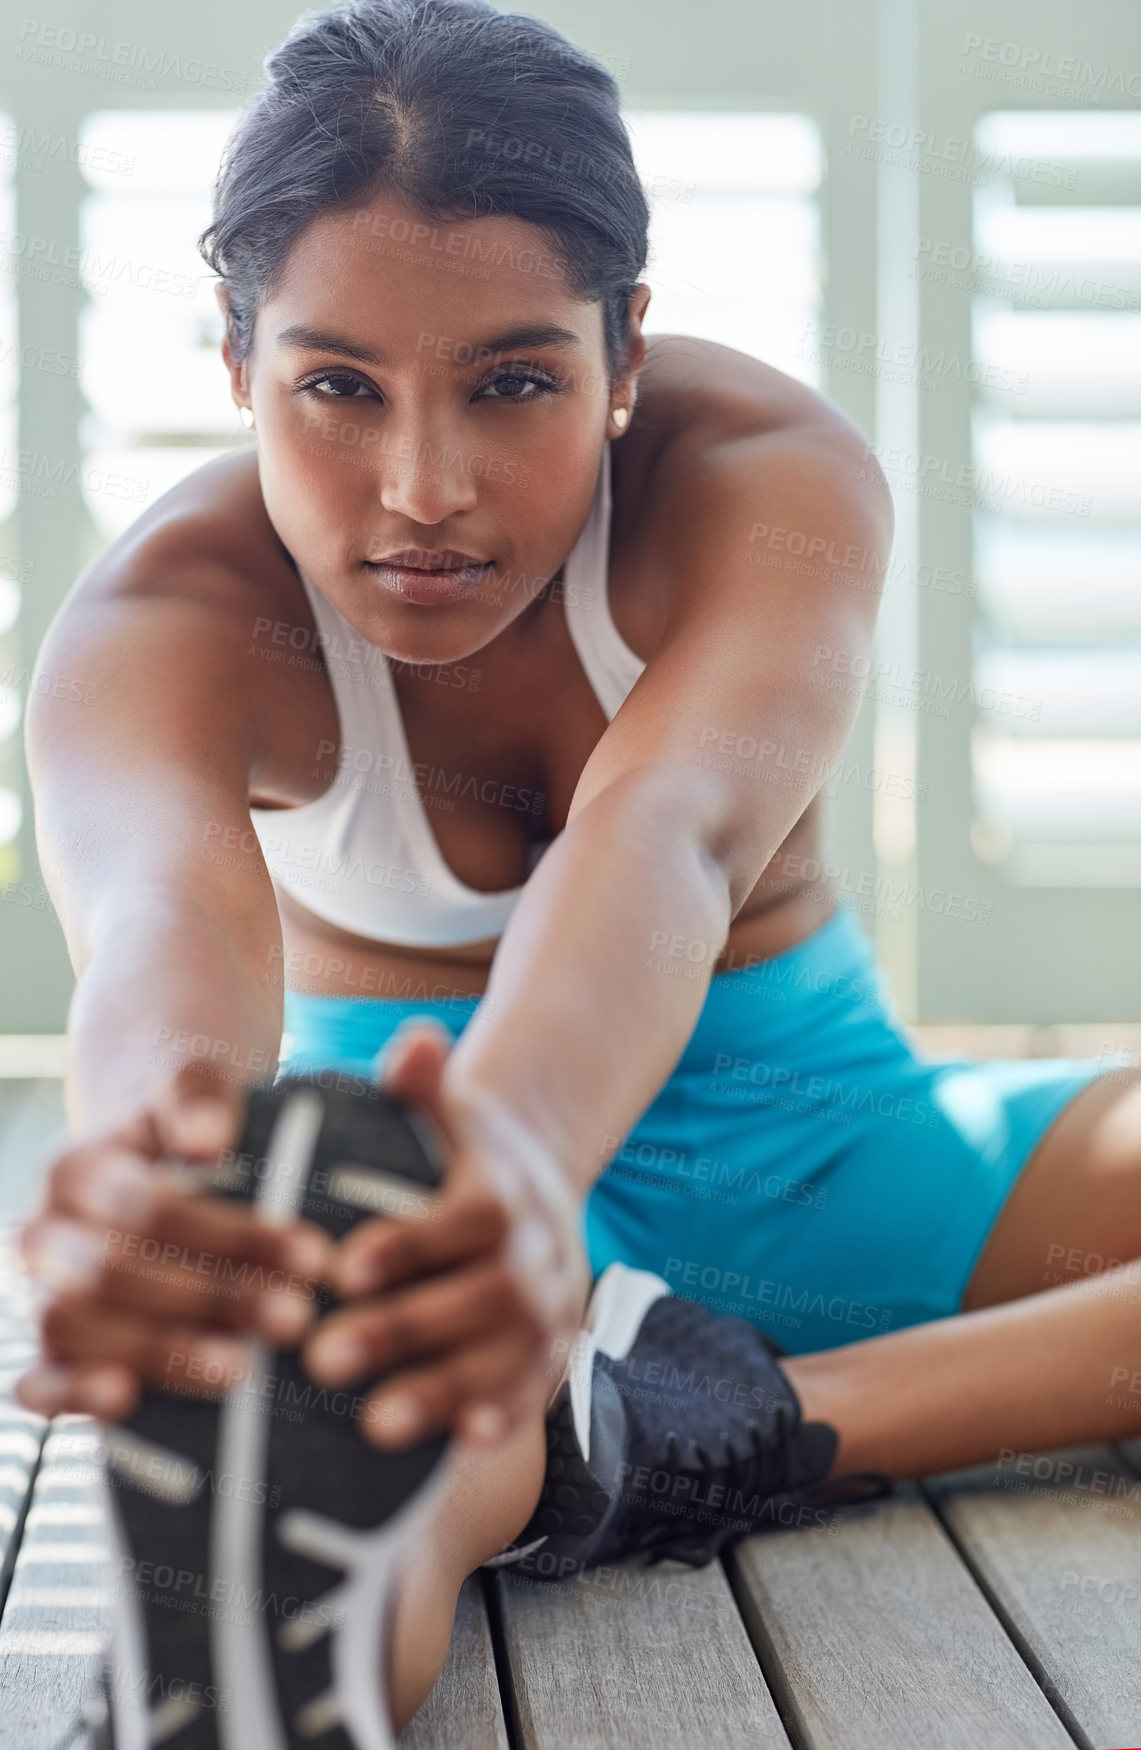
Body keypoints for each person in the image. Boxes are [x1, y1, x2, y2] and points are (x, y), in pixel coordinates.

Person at [15, 0, 1141, 1734]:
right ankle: (409, 1517)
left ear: (625, 350)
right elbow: (165, 933)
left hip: (831, 1155)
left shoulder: (763, 481)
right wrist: (174, 1175)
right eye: (335, 386)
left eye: (514, 381)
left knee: (475, 1405)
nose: (423, 485)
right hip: (428, 1224)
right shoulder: (160, 628)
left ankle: (685, 1416)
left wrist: (533, 1167)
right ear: (233, 361)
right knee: (353, 1476)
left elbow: (668, 832)